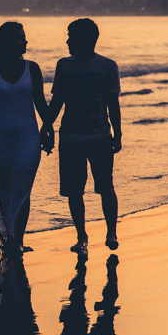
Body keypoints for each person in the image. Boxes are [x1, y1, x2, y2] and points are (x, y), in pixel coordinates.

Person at [41, 18, 121, 257]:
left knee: (105, 186)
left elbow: (112, 103)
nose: (67, 41)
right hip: (70, 137)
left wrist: (118, 134)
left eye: (71, 36)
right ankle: (81, 237)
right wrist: (46, 126)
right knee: (74, 191)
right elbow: (57, 100)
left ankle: (111, 233)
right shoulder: (64, 65)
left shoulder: (107, 66)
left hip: (100, 136)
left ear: (86, 39)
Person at [0, 21, 52, 252]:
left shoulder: (32, 68)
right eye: (20, 38)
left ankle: (17, 241)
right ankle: (9, 238)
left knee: (23, 187)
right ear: (7, 42)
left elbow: (40, 102)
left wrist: (48, 128)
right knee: (5, 191)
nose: (25, 41)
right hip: (0, 140)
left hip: (28, 139)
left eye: (25, 37)